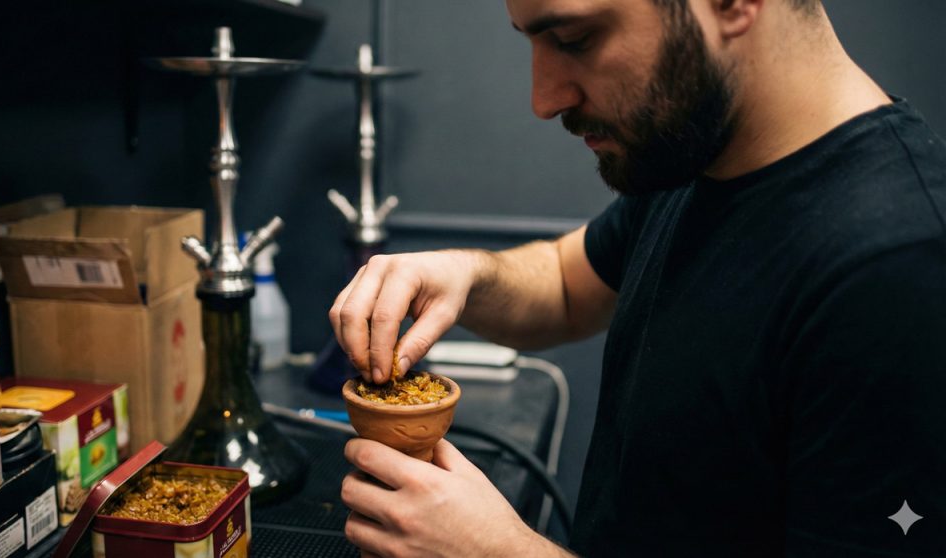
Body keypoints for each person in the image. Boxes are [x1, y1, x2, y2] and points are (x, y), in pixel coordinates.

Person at [330, 0, 946, 555]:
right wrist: (463, 274)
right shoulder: (700, 149)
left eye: (573, 39)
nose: (544, 99)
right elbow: (568, 285)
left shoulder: (898, 271)